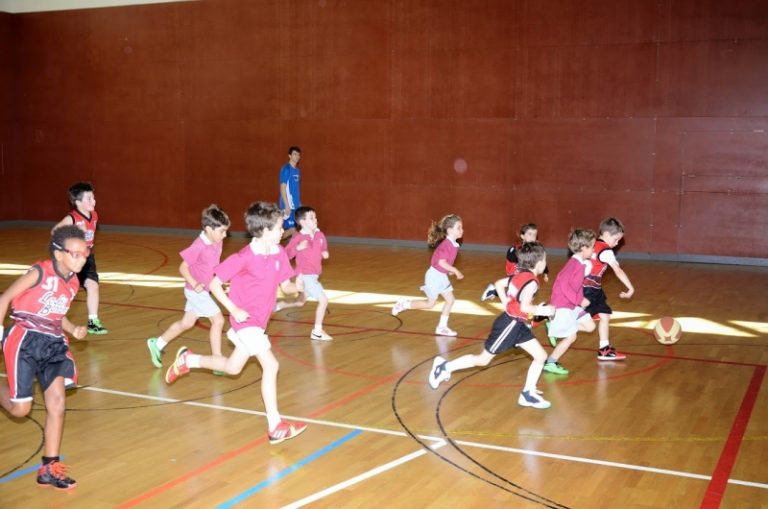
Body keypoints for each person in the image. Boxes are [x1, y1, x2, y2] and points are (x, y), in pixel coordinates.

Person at [165, 202, 307, 444]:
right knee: (271, 365)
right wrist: (233, 309)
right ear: (265, 230)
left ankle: (188, 360)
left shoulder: (280, 253)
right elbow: (214, 284)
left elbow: (286, 286)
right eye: (279, 227)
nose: (283, 230)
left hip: (259, 323)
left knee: (232, 368)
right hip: (245, 321)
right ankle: (275, 426)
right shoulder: (243, 257)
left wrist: (298, 287)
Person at [0, 225, 89, 490]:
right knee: (20, 410)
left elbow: (58, 315)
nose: (82, 259)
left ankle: (50, 468)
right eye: (76, 254)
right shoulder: (40, 272)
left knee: (57, 404)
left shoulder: (74, 282)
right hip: (25, 339)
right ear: (59, 254)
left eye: (85, 253)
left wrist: (73, 329)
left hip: (53, 344)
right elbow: (5, 298)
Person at [427, 242, 555, 409]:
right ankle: (444, 367)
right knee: (482, 360)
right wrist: (544, 310)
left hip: (517, 324)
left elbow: (499, 284)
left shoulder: (520, 274)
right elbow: (524, 307)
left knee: (540, 356)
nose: (546, 262)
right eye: (545, 259)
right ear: (538, 263)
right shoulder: (532, 283)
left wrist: (507, 302)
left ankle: (528, 394)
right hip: (509, 325)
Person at [146, 205, 230, 368]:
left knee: (187, 323)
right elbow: (182, 268)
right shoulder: (198, 246)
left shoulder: (217, 241)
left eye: (226, 231)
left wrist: (219, 281)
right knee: (218, 320)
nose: (225, 235)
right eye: (222, 231)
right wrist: (194, 283)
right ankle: (217, 359)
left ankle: (157, 344)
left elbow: (213, 266)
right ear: (208, 229)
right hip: (196, 292)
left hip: (204, 290)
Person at [391, 214, 464, 336]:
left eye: (462, 227)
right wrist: (455, 270)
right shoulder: (446, 245)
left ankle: (442, 327)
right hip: (434, 277)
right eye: (459, 227)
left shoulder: (453, 245)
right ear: (450, 230)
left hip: (441, 276)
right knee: (430, 304)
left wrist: (449, 270)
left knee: (450, 300)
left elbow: (443, 263)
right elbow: (441, 262)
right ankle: (404, 304)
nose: (462, 230)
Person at [52, 182, 107, 335]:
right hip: (72, 259)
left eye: (93, 197)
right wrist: (74, 231)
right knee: (65, 291)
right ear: (78, 202)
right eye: (89, 198)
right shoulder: (72, 218)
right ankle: (54, 316)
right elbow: (54, 231)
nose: (93, 201)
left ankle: (93, 321)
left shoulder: (94, 215)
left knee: (93, 285)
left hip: (87, 258)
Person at [542, 229, 597, 374]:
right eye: (592, 247)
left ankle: (553, 325)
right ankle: (551, 362)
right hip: (563, 305)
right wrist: (580, 300)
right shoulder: (574, 264)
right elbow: (564, 285)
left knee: (590, 326)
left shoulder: (580, 264)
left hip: (572, 304)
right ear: (583, 248)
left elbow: (576, 286)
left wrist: (580, 299)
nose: (593, 249)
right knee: (571, 336)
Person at [276, 206, 333, 341]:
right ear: (302, 222)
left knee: (300, 302)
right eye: (311, 218)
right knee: (324, 300)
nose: (315, 220)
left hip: (314, 275)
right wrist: (298, 247)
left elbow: (323, 246)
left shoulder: (320, 235)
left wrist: (325, 252)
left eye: (315, 217)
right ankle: (317, 331)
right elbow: (286, 254)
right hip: (305, 275)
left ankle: (279, 305)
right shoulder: (298, 237)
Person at [583, 217, 635, 361]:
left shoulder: (592, 243)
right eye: (616, 239)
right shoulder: (606, 251)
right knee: (579, 319)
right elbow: (618, 270)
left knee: (604, 315)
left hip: (590, 287)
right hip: (589, 289)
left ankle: (604, 349)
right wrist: (630, 288)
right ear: (606, 234)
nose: (617, 243)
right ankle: (554, 321)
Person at [481, 223, 549, 301]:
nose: (532, 237)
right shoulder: (516, 249)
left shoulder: (535, 250)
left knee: (525, 294)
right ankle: (494, 291)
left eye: (534, 235)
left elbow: (540, 260)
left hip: (526, 274)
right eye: (530, 234)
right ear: (522, 236)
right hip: (515, 272)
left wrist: (545, 273)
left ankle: (494, 291)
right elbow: (512, 260)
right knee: (518, 293)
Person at [278, 146, 302, 239]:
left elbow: (295, 189)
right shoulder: (286, 169)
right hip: (288, 206)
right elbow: (283, 188)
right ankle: (270, 240)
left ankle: (290, 249)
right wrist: (286, 205)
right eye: (295, 154)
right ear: (289, 155)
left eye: (298, 155)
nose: (297, 156)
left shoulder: (297, 171)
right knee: (292, 230)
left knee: (294, 230)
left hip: (295, 205)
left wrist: (299, 203)